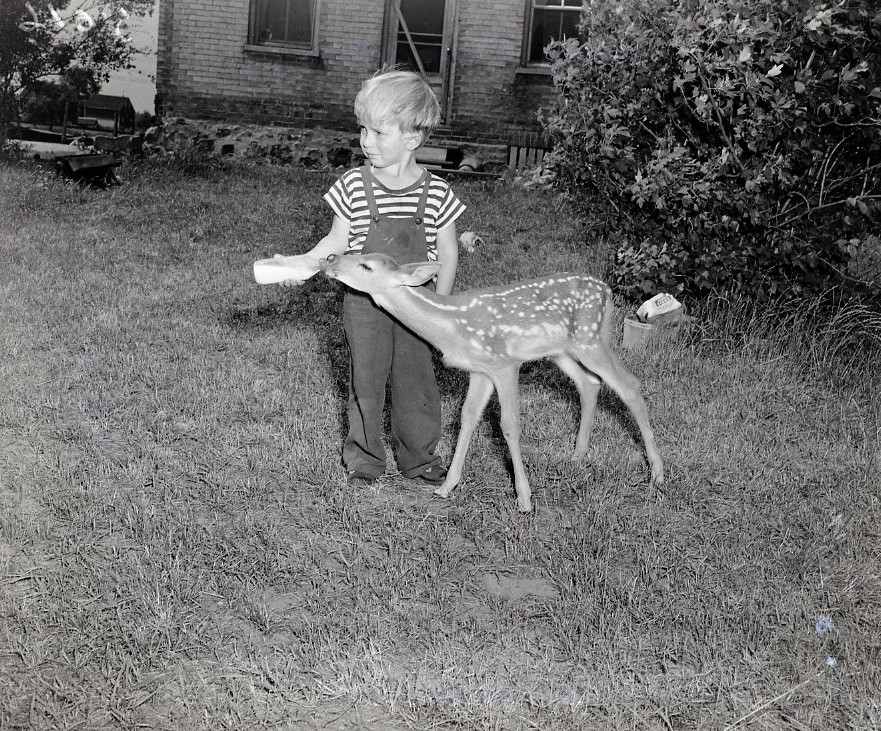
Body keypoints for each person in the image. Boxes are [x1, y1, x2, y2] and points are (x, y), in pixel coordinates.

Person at [284, 70, 465, 486]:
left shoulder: (437, 193)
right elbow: (335, 240)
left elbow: (448, 254)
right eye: (363, 130)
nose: (367, 141)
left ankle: (419, 457)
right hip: (364, 306)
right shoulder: (353, 185)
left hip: (416, 303)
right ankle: (365, 458)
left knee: (416, 380)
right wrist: (301, 262)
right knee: (366, 379)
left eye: (379, 132)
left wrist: (442, 306)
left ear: (412, 138)